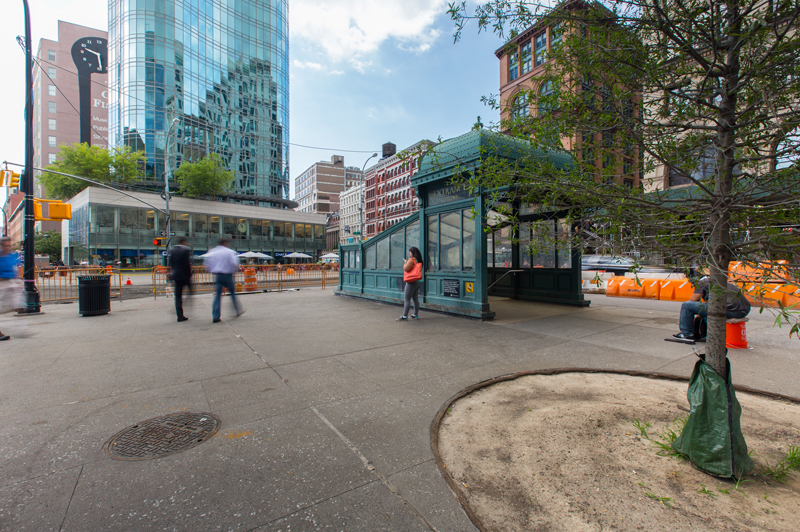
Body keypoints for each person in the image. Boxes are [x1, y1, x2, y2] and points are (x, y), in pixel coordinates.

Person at [673, 275, 751, 341]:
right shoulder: (719, 281)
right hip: (743, 311)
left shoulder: (702, 282)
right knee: (701, 307)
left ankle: (686, 334)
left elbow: (692, 301)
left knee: (686, 305)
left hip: (730, 310)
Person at [203, 238, 245, 323]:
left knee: (217, 295)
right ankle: (237, 310)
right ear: (224, 243)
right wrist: (234, 271)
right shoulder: (229, 252)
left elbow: (207, 264)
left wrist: (212, 270)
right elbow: (234, 263)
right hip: (227, 275)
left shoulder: (212, 252)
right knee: (232, 293)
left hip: (218, 275)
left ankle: (216, 316)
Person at [0, 237, 22, 340]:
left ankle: (21, 330)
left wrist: (17, 280)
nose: (7, 247)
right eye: (5, 245)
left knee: (16, 305)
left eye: (8, 245)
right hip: (1, 283)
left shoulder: (12, 256)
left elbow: (14, 269)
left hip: (9, 284)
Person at [168, 237, 193, 322]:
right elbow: (186, 264)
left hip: (176, 275)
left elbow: (171, 263)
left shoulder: (172, 250)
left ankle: (179, 315)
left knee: (178, 296)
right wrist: (190, 274)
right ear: (183, 242)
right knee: (191, 291)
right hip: (184, 275)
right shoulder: (185, 250)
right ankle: (188, 304)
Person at [397, 246, 423, 321]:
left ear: (412, 252)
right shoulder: (419, 260)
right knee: (415, 299)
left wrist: (405, 262)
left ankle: (405, 316)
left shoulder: (412, 260)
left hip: (411, 281)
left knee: (407, 299)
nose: (409, 254)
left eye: (410, 252)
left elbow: (405, 268)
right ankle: (415, 314)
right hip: (418, 281)